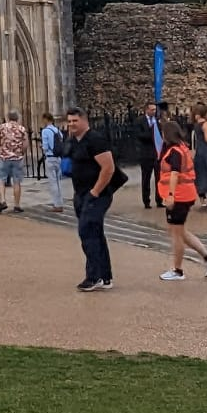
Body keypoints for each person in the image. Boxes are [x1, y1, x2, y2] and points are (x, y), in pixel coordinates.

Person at [63, 105, 119, 292]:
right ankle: (105, 275)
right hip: (80, 194)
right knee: (95, 233)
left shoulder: (95, 139)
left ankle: (94, 276)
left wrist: (95, 192)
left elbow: (108, 167)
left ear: (84, 120)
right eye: (69, 121)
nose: (71, 124)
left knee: (87, 232)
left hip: (97, 194)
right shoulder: (75, 140)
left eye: (75, 121)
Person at [157, 129, 207, 281]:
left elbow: (174, 173)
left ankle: (178, 270)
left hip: (179, 196)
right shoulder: (182, 148)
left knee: (176, 234)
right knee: (180, 231)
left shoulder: (174, 152)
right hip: (184, 193)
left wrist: (171, 195)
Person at [0, 110, 30, 213]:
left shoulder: (1, 127)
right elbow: (25, 143)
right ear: (17, 118)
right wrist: (21, 153)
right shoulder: (22, 129)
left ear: (8, 118)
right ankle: (17, 205)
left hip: (4, 157)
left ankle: (2, 200)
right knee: (17, 182)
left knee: (1, 180)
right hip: (17, 158)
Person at [136, 103, 164, 210]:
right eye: (152, 110)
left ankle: (159, 200)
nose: (154, 112)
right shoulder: (140, 121)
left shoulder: (157, 120)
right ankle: (146, 201)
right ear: (146, 110)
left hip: (157, 153)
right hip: (146, 154)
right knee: (146, 178)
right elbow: (139, 135)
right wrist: (152, 131)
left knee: (159, 178)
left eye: (155, 110)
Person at [39, 111, 68, 213]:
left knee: (53, 182)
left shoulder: (45, 131)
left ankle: (57, 205)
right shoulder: (57, 130)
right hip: (58, 158)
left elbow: (46, 146)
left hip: (50, 158)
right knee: (59, 182)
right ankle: (60, 203)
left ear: (46, 119)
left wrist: (42, 147)